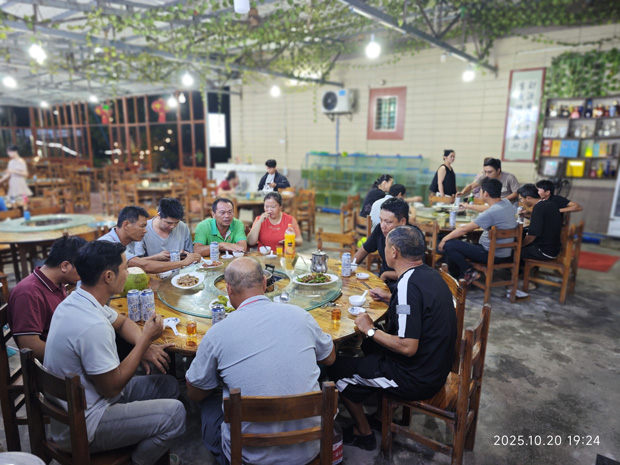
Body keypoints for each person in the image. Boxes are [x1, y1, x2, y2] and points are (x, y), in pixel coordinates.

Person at [43, 241, 185, 465]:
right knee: (175, 413)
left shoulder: (78, 300)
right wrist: (145, 341)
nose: (128, 273)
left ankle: (141, 439)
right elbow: (112, 388)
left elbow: (122, 322)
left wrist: (144, 346)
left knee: (169, 385)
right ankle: (136, 462)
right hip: (86, 424)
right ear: (108, 276)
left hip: (88, 400)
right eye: (125, 268)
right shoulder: (92, 325)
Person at [185, 257, 336, 465]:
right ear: (265, 283)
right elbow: (329, 358)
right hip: (308, 451)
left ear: (228, 290)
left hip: (250, 457)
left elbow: (195, 393)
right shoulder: (301, 316)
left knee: (210, 401)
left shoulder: (217, 333)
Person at [327, 225, 456, 450]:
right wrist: (391, 299)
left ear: (394, 252)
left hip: (418, 378)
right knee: (369, 345)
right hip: (437, 364)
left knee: (337, 369)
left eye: (386, 246)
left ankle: (363, 432)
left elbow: (407, 347)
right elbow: (418, 308)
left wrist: (369, 329)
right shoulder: (429, 274)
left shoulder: (407, 285)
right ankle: (379, 412)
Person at [7, 235, 87, 361]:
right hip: (53, 364)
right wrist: (74, 356)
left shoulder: (57, 282)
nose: (85, 274)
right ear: (65, 266)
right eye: (83, 268)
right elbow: (29, 346)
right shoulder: (28, 293)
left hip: (67, 345)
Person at [438, 178, 517, 284]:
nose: (479, 193)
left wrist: (444, 239)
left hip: (489, 254)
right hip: (505, 253)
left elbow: (464, 229)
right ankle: (461, 275)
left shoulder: (491, 213)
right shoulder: (506, 203)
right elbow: (489, 209)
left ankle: (468, 272)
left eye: (480, 191)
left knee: (449, 244)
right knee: (458, 244)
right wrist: (468, 206)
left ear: (486, 193)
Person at [99, 205, 199, 273]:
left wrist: (156, 257)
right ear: (126, 225)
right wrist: (182, 263)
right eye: (142, 226)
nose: (145, 231)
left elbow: (132, 262)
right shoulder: (109, 244)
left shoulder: (129, 241)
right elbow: (143, 265)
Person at [354, 198, 409, 292]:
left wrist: (386, 274)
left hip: (403, 287)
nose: (383, 225)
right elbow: (363, 250)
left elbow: (412, 273)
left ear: (402, 222)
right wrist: (349, 267)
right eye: (381, 220)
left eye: (388, 222)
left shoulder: (413, 238)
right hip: (383, 282)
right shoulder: (380, 230)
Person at [134, 197, 200, 263]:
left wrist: (185, 255)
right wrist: (156, 258)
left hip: (179, 267)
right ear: (159, 216)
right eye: (169, 223)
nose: (173, 226)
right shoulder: (143, 229)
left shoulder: (183, 227)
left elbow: (190, 254)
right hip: (152, 268)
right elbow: (135, 262)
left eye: (176, 223)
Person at [518, 183, 562, 262]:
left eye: (521, 199)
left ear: (528, 198)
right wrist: (530, 214)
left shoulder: (538, 208)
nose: (522, 201)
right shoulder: (550, 203)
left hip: (544, 250)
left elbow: (532, 236)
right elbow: (545, 221)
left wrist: (519, 246)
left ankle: (520, 269)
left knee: (511, 252)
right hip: (554, 248)